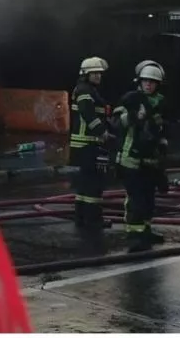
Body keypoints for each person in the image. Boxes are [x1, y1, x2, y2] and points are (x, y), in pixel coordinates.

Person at [113, 60, 170, 252]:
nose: (148, 84)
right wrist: (134, 117)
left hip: (151, 160)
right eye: (145, 81)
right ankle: (134, 234)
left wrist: (163, 144)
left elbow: (163, 129)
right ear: (139, 81)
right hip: (132, 158)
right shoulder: (131, 99)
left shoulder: (160, 102)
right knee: (136, 198)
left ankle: (145, 230)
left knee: (148, 198)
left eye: (152, 82)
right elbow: (116, 122)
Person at [68, 56, 112, 230]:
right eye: (95, 73)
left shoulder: (87, 89)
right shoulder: (85, 91)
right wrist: (102, 132)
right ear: (86, 74)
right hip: (87, 144)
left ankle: (81, 217)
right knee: (94, 183)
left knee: (85, 183)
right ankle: (94, 220)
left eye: (100, 74)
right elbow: (88, 114)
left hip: (84, 144)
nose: (98, 77)